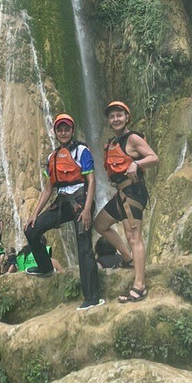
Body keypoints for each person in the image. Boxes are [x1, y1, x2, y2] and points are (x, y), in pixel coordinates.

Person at [24, 113, 101, 309]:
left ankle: (92, 297)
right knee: (31, 230)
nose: (64, 132)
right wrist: (35, 213)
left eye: (67, 129)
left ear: (72, 131)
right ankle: (45, 268)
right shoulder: (52, 157)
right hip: (62, 203)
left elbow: (91, 181)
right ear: (55, 132)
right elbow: (49, 189)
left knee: (83, 245)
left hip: (81, 200)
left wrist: (87, 210)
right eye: (60, 129)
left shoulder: (82, 151)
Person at [93, 100, 159, 303]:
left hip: (134, 192)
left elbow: (154, 157)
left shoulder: (132, 139)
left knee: (134, 237)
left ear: (127, 117)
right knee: (100, 224)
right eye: (112, 116)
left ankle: (140, 286)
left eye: (119, 115)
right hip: (121, 194)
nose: (115, 119)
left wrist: (136, 163)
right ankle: (127, 258)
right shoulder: (114, 142)